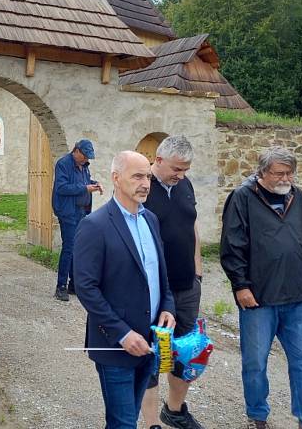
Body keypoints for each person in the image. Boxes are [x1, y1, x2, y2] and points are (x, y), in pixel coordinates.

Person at [220, 146, 302, 429]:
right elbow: (232, 246)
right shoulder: (242, 197)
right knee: (255, 364)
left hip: (295, 295)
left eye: (290, 173)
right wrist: (240, 286)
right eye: (279, 173)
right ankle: (257, 414)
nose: (286, 178)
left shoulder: (297, 196)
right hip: (258, 298)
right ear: (262, 172)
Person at [74, 150, 176, 429]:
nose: (145, 183)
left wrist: (168, 307)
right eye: (137, 176)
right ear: (116, 179)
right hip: (115, 346)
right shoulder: (94, 225)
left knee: (129, 418)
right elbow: (86, 287)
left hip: (149, 341)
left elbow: (160, 275)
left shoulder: (150, 220)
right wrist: (121, 333)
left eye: (148, 177)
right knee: (122, 423)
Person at [140, 136, 205, 429]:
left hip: (187, 285)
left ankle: (174, 411)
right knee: (152, 354)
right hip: (153, 291)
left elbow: (192, 224)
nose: (181, 175)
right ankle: (152, 422)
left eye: (186, 169)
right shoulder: (142, 188)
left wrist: (198, 269)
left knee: (186, 351)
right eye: (177, 169)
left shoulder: (185, 186)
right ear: (159, 160)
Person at [51, 139, 102, 301]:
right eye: (85, 156)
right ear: (77, 151)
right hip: (68, 212)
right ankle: (61, 287)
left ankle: (73, 284)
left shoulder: (84, 167)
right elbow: (62, 188)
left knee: (78, 248)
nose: (87, 160)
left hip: (82, 211)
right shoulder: (63, 164)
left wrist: (94, 184)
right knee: (69, 248)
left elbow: (84, 183)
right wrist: (85, 188)